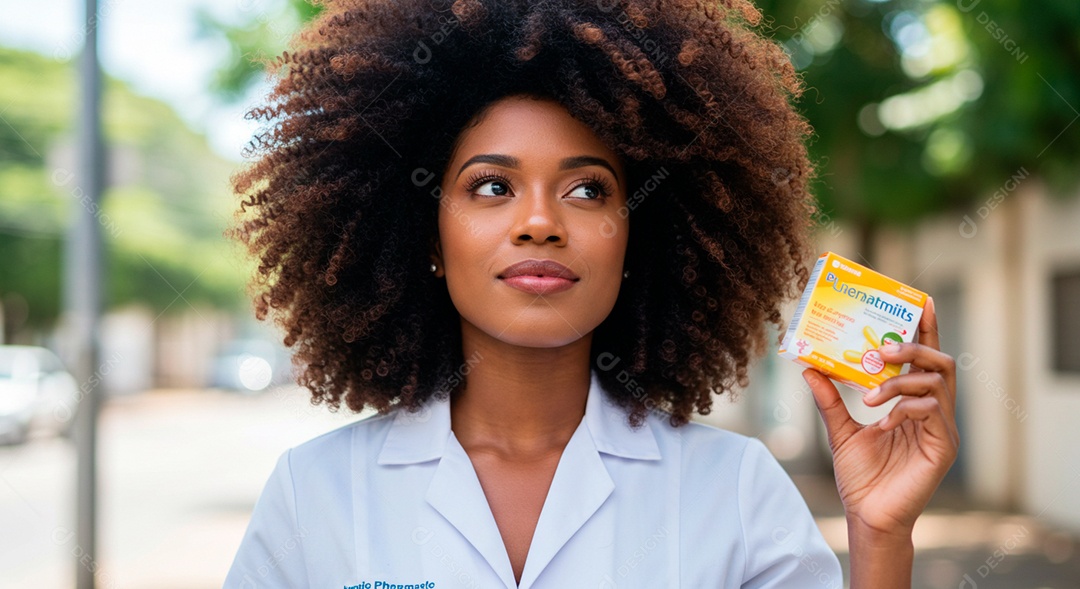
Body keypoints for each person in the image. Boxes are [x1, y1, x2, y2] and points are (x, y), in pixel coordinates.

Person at [222, 1, 959, 587]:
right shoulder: (313, 494)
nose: (540, 222)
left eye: (585, 188)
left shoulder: (734, 488)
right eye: (492, 186)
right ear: (427, 240)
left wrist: (880, 534)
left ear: (638, 238)